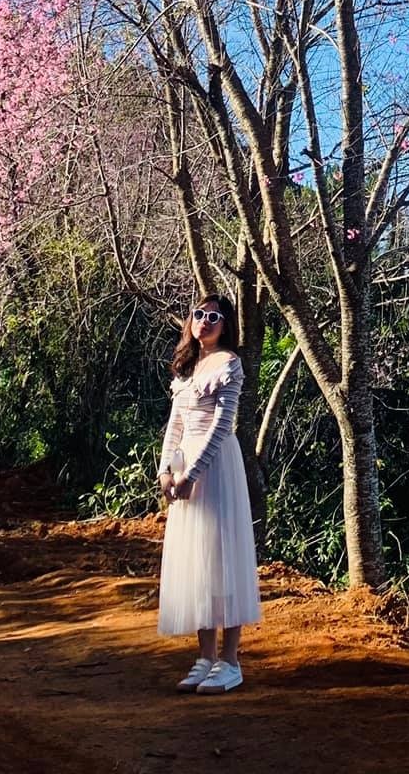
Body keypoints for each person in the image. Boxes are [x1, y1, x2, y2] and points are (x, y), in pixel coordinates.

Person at [157, 291, 262, 692]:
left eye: (214, 316)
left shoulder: (229, 364)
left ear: (226, 324)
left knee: (224, 558)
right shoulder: (185, 367)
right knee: (197, 561)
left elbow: (221, 426)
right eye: (198, 314)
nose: (204, 321)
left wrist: (193, 473)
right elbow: (175, 425)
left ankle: (230, 661)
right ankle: (205, 657)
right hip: (185, 467)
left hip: (216, 468)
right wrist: (166, 470)